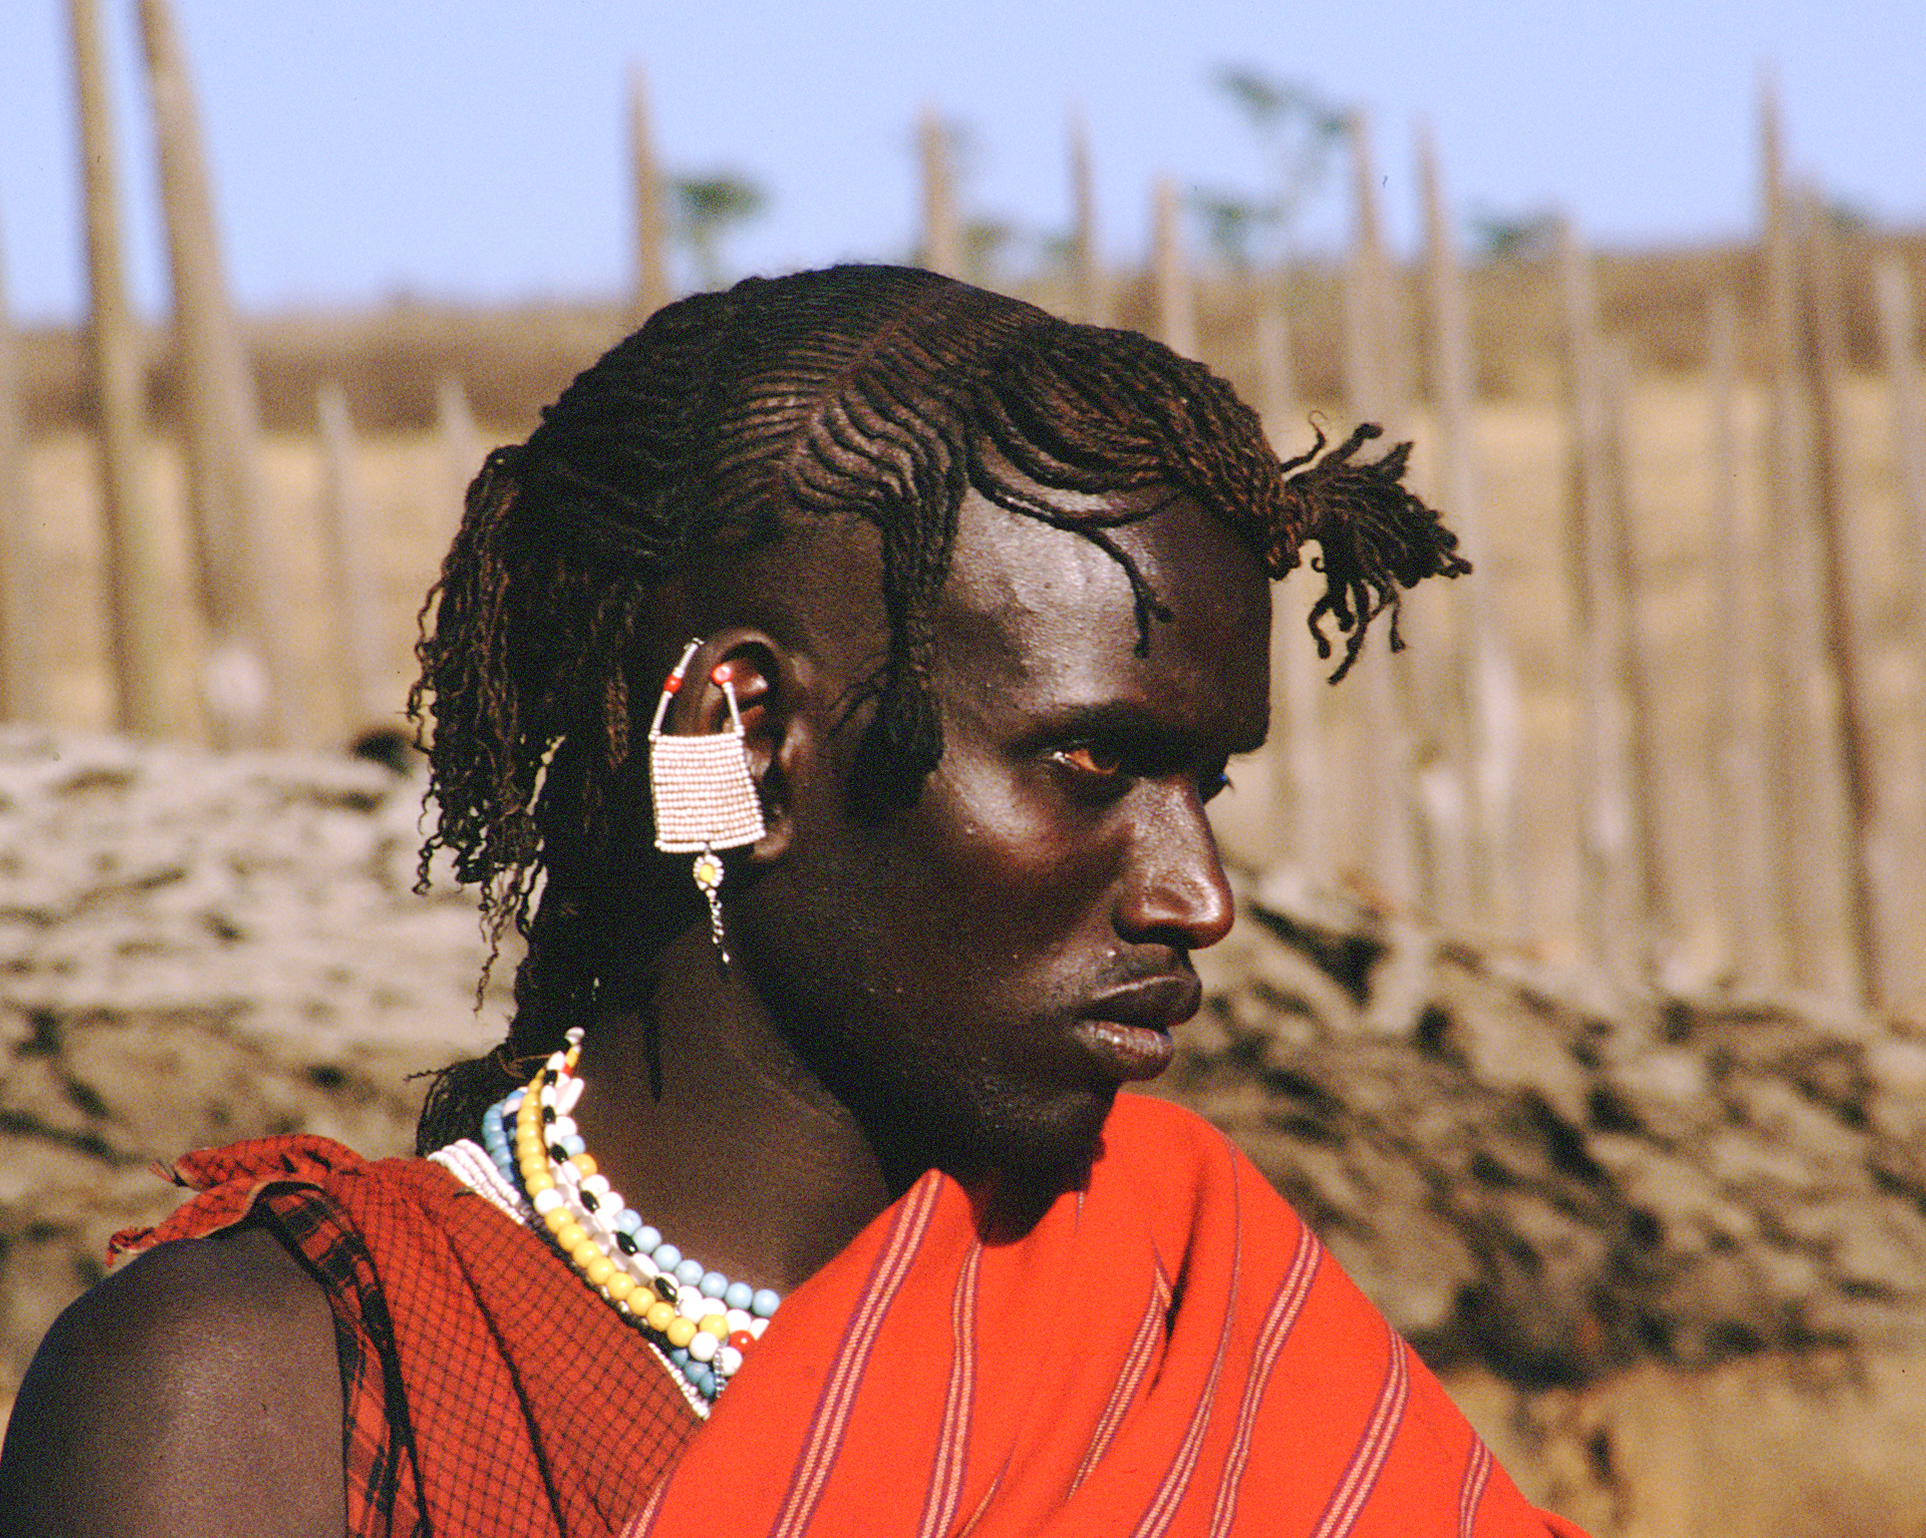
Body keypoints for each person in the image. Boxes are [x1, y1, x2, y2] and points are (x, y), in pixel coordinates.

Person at [0, 265, 1585, 1538]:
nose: (1198, 896)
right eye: (1091, 764)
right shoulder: (270, 1399)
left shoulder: (1197, 1325)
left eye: (1206, 785)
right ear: (740, 740)